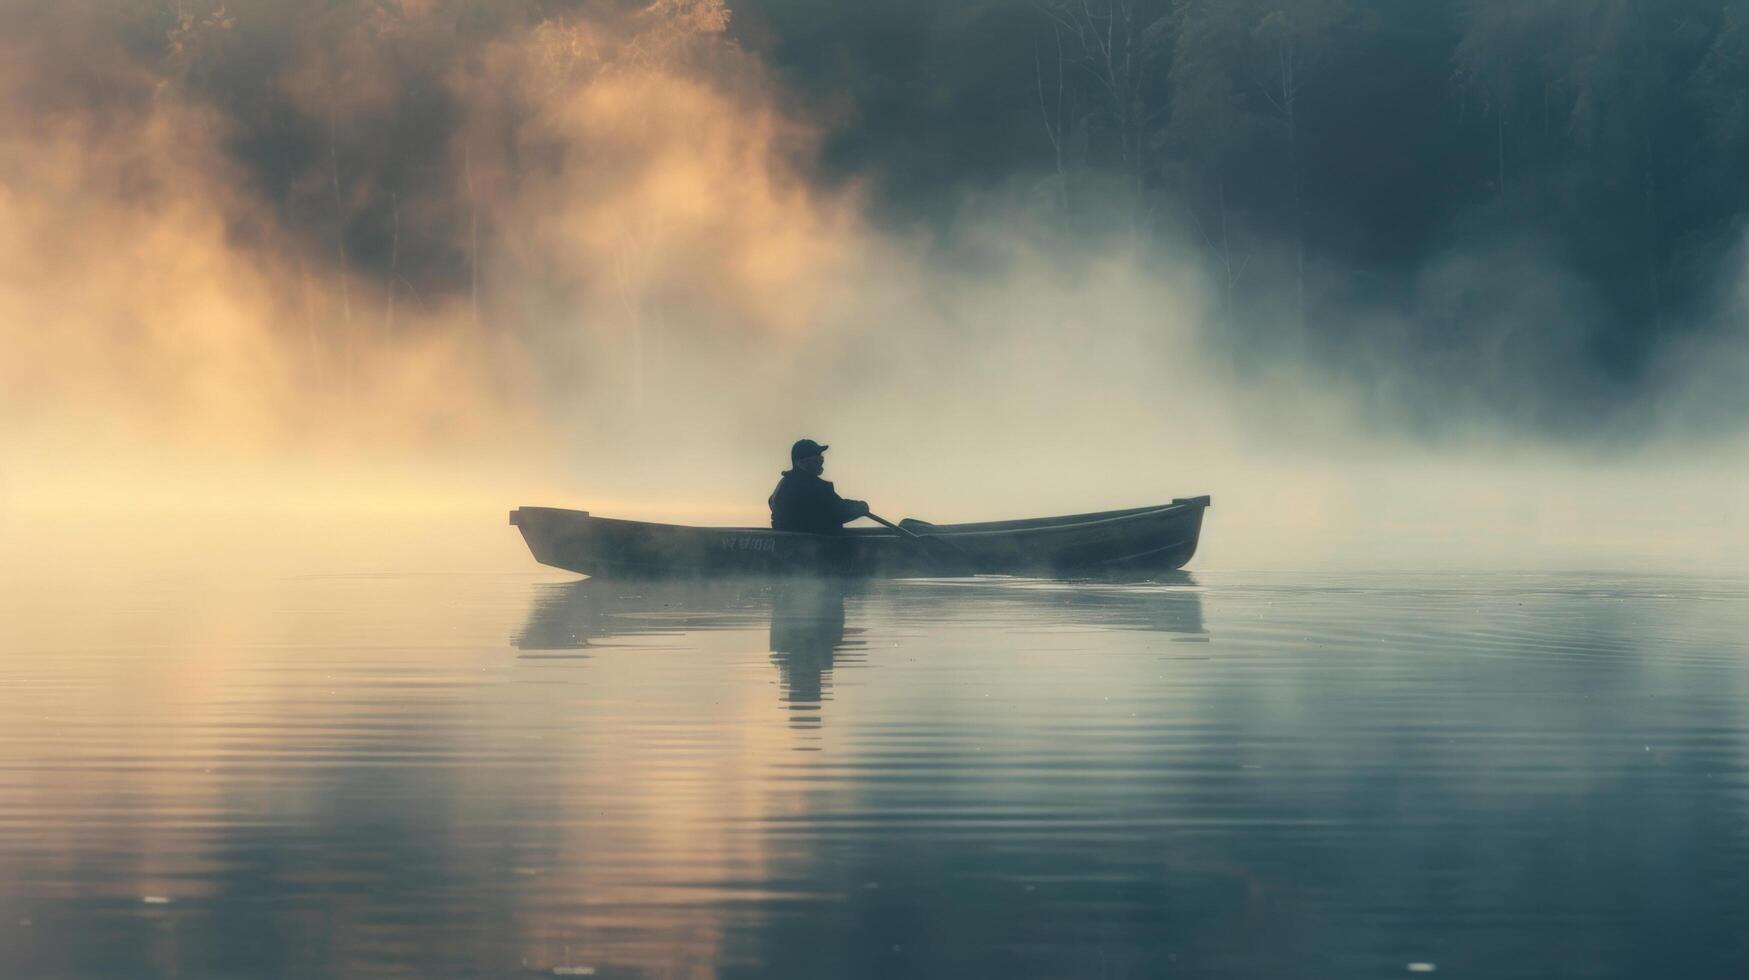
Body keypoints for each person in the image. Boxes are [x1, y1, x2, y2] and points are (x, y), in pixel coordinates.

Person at [769, 439, 870, 533]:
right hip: (817, 546)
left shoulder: (783, 484)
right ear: (801, 463)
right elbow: (838, 510)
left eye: (821, 460)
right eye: (816, 461)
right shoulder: (815, 488)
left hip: (794, 542)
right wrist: (861, 507)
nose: (820, 464)